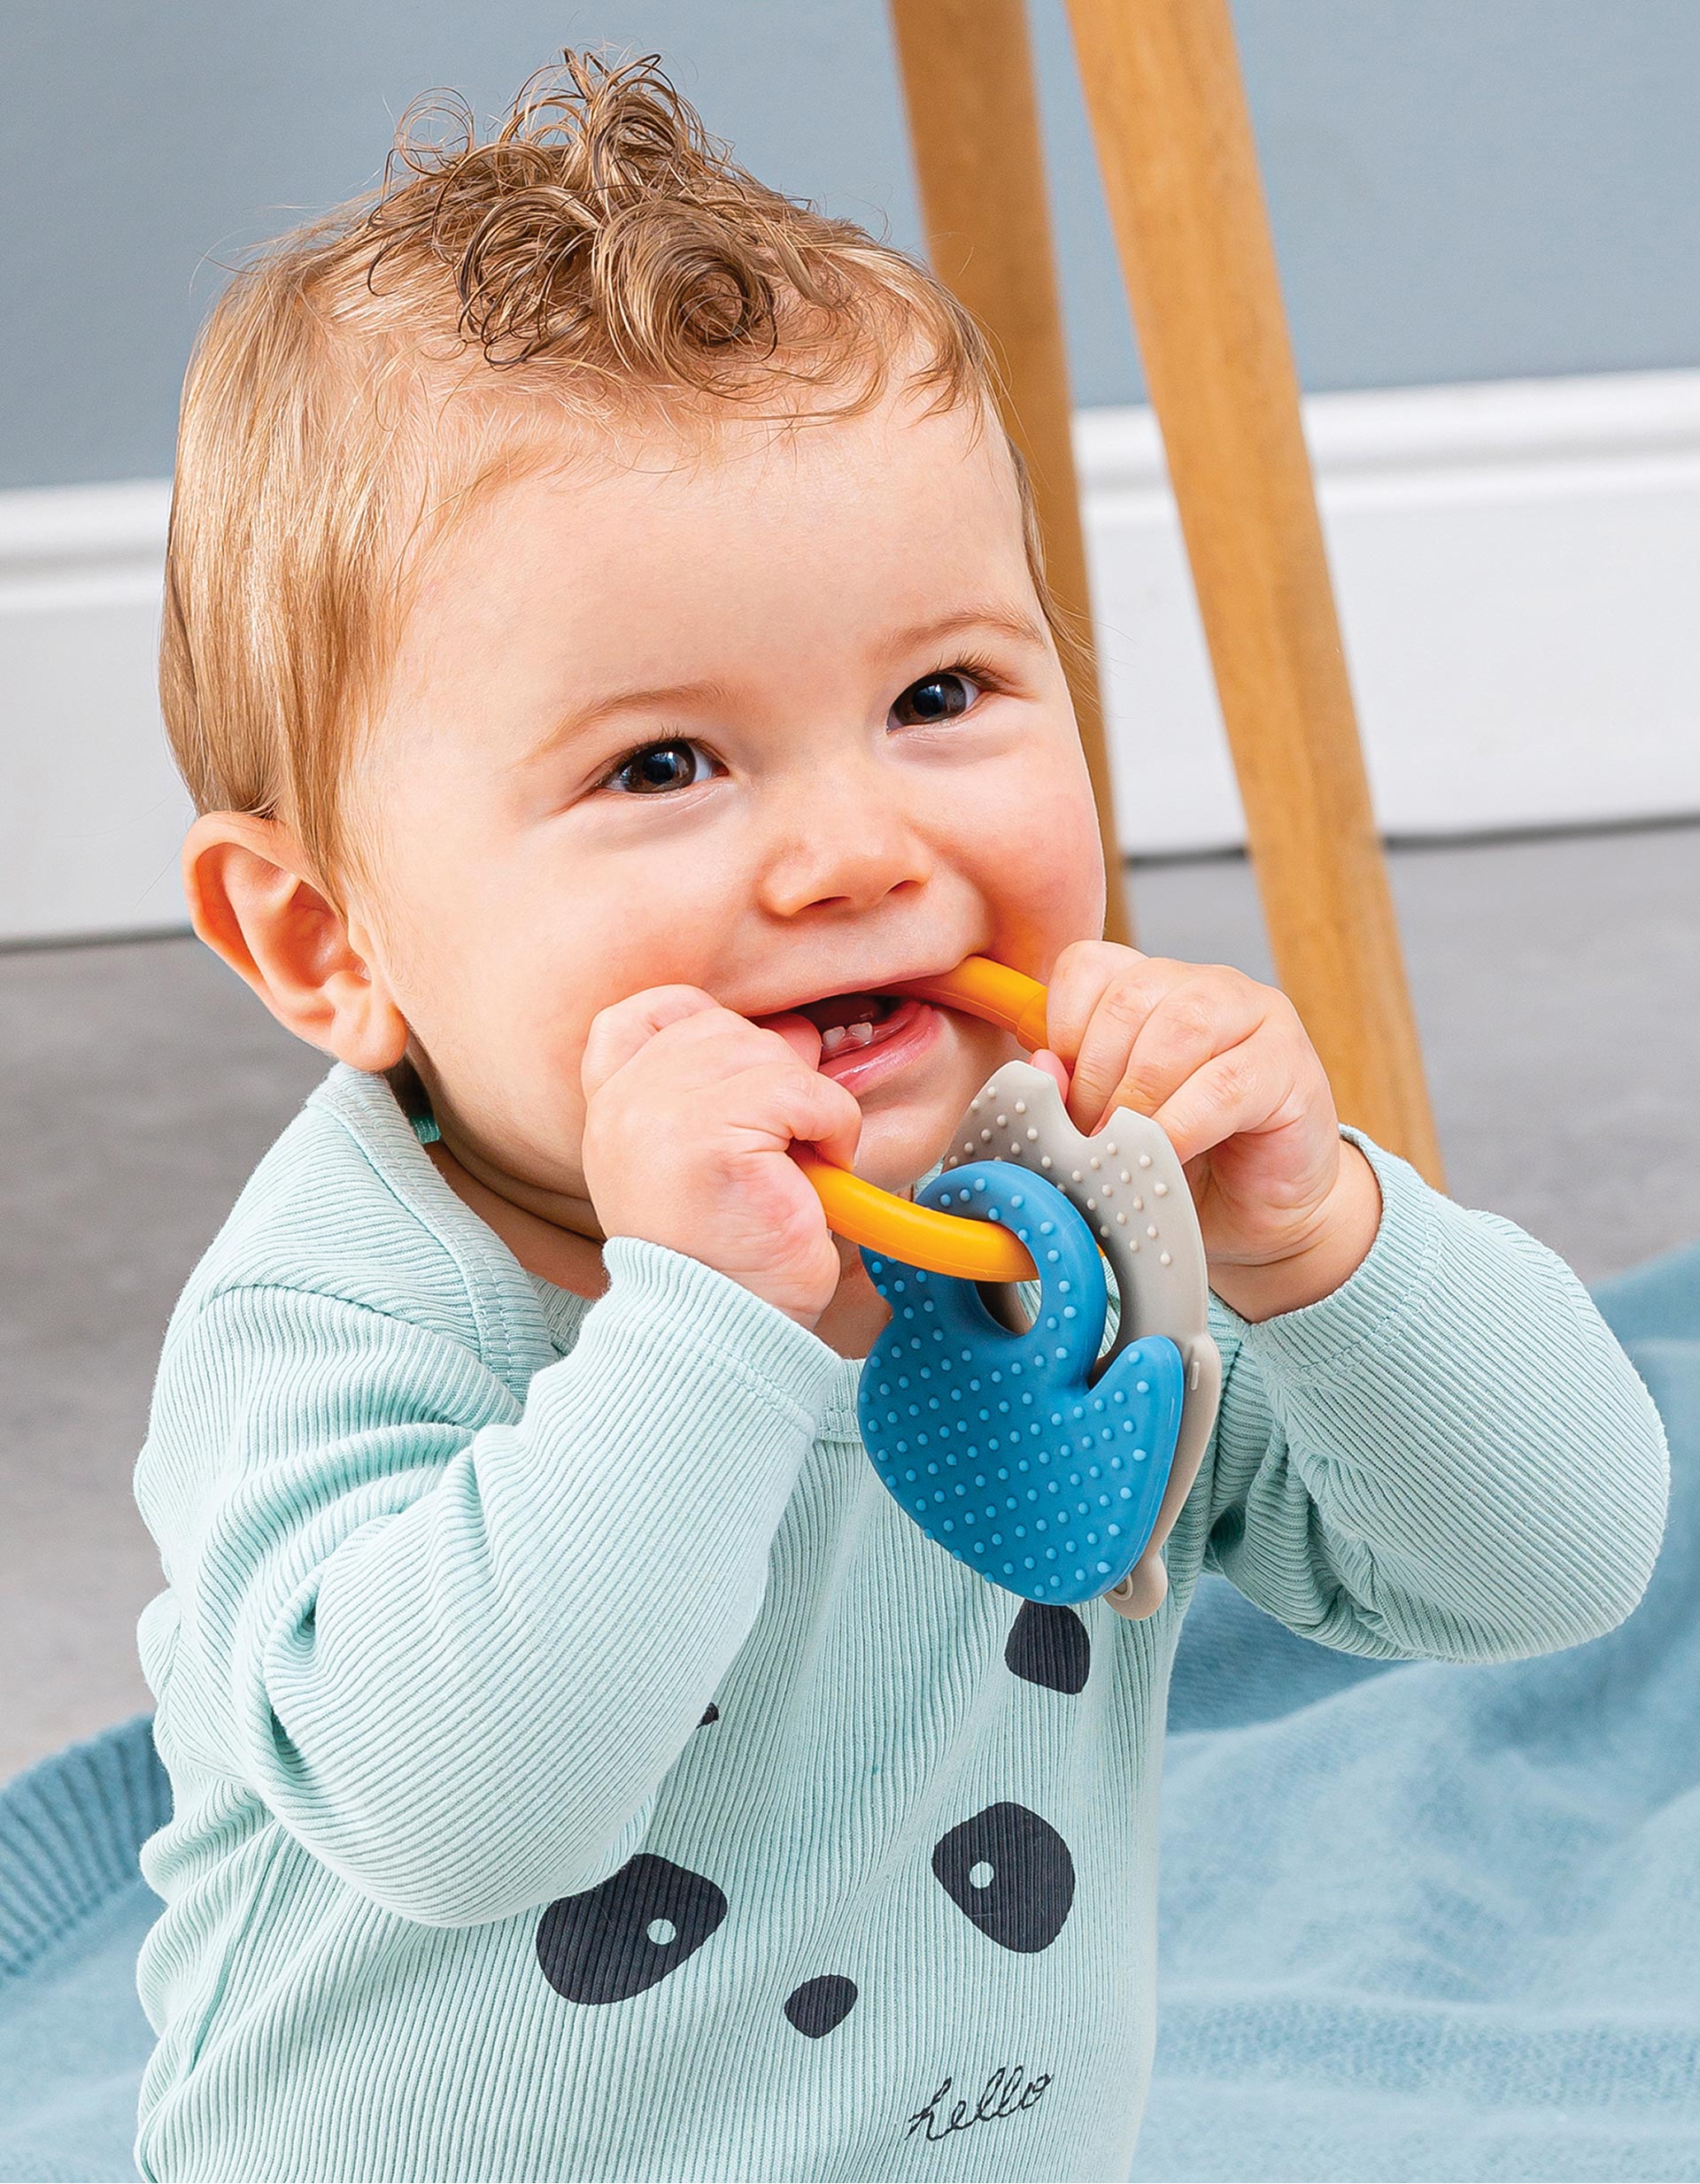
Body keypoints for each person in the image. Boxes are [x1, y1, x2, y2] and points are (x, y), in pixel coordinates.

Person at [130, 49, 1668, 2184]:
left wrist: (1329, 1249)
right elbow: (464, 1795)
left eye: (940, 697)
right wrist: (701, 1322)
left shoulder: (1061, 1196)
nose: (854, 848)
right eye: (662, 764)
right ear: (322, 939)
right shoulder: (342, 1309)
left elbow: (1555, 1564)